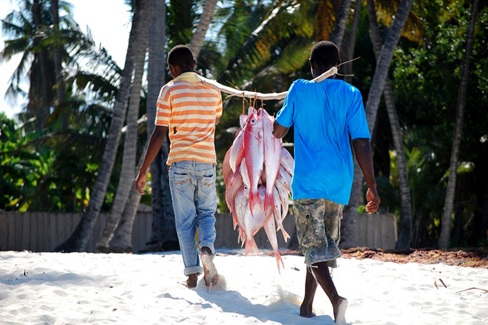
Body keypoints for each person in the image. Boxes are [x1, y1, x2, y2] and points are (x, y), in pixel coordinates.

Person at [272, 41, 381, 324]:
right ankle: (307, 306)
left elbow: (277, 131)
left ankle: (336, 300)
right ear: (336, 67)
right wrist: (372, 185)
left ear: (312, 65)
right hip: (339, 184)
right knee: (319, 248)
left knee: (313, 248)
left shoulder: (299, 88)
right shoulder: (351, 93)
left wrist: (276, 118)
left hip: (309, 183)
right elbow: (361, 142)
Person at [135, 45, 222, 289]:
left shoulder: (169, 90)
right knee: (206, 214)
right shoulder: (214, 89)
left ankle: (192, 275)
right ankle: (206, 248)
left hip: (181, 162)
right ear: (194, 64)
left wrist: (142, 172)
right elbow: (215, 118)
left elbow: (160, 132)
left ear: (173, 68)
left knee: (185, 221)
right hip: (206, 161)